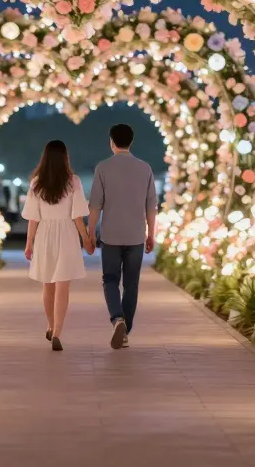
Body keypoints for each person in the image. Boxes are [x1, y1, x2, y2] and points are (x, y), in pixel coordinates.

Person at [87, 123, 156, 350]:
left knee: (110, 280)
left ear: (111, 141)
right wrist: (151, 234)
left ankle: (117, 318)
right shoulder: (145, 168)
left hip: (110, 236)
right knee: (131, 284)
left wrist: (90, 232)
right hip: (136, 235)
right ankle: (125, 330)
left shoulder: (103, 168)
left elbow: (95, 204)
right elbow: (151, 206)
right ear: (131, 142)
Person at [22, 140, 89, 351]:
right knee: (63, 285)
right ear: (65, 158)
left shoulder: (36, 183)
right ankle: (58, 331)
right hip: (67, 234)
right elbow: (78, 216)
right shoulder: (73, 182)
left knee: (47, 284)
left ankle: (50, 325)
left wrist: (29, 243)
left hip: (44, 234)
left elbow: (33, 218)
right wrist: (86, 239)